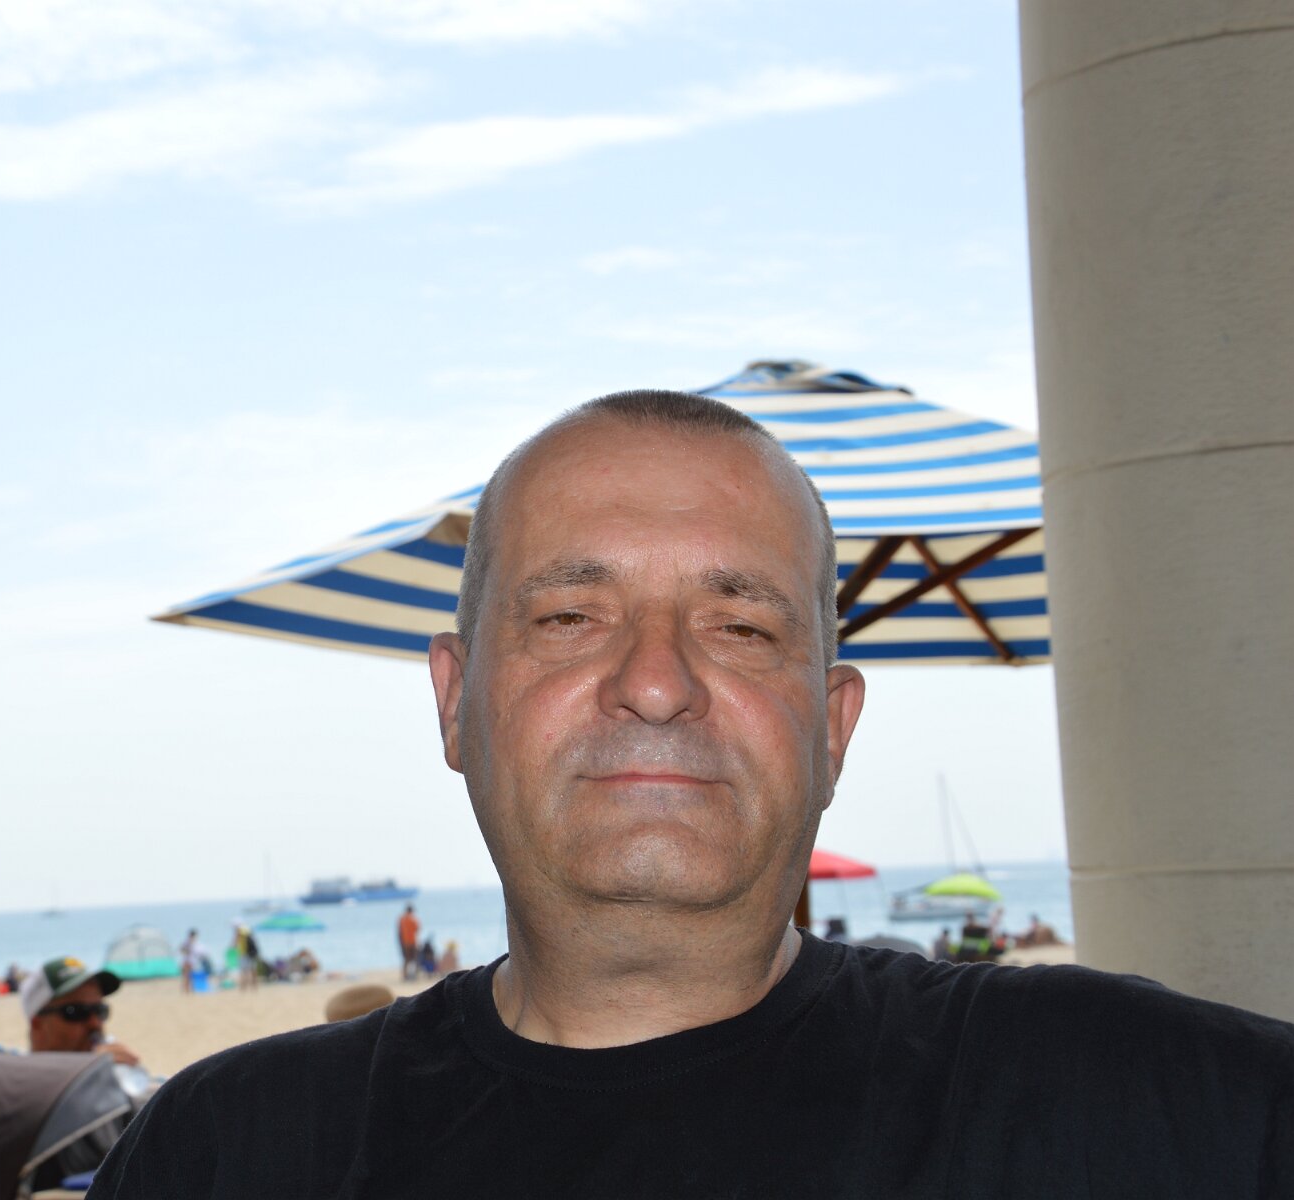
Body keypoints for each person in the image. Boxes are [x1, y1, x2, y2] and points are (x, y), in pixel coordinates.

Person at [91, 390, 1294, 1197]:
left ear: (831, 729)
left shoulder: (1143, 1105)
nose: (656, 683)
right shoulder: (229, 1152)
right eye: (570, 617)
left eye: (740, 626)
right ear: (454, 703)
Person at [21, 955, 139, 1066]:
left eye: (100, 1010)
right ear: (37, 1025)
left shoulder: (109, 1067)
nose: (95, 1023)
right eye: (76, 1012)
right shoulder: (18, 1079)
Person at [231, 923, 260, 992]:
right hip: (251, 954)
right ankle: (254, 987)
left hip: (243, 954)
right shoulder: (248, 932)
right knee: (252, 971)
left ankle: (243, 987)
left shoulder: (239, 933)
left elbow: (234, 945)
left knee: (244, 971)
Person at [396, 905, 420, 981]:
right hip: (413, 942)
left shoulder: (401, 919)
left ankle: (405, 976)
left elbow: (399, 931)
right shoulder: (413, 918)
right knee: (415, 959)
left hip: (405, 942)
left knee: (406, 959)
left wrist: (401, 942)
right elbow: (417, 929)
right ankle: (414, 975)